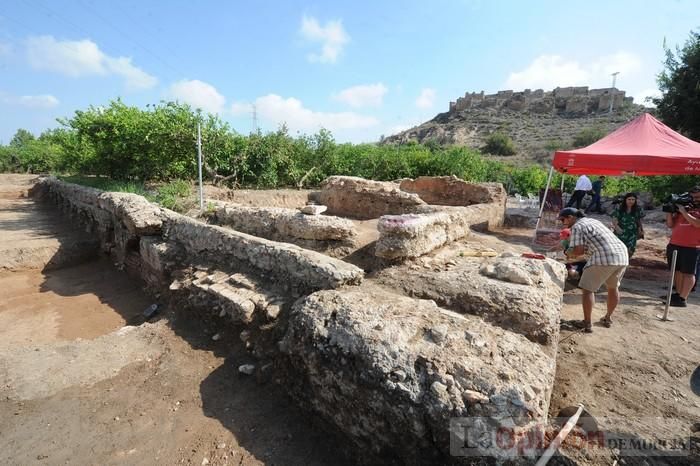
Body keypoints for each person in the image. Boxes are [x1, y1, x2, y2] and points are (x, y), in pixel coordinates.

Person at [559, 207, 629, 333]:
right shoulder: (593, 221)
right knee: (613, 287)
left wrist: (566, 252)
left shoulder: (577, 226)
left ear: (570, 217)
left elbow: (578, 250)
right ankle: (608, 318)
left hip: (604, 257)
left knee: (587, 289)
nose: (562, 223)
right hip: (622, 255)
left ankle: (587, 323)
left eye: (563, 220)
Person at [665, 186, 700, 307]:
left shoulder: (688, 210)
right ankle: (677, 294)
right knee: (677, 271)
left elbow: (697, 224)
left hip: (691, 246)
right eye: (693, 197)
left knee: (689, 273)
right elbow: (670, 224)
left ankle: (683, 298)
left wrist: (684, 212)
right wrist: (669, 211)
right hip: (675, 244)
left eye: (697, 197)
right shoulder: (684, 207)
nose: (695, 199)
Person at [610, 192, 645, 257]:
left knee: (630, 250)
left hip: (632, 233)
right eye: (629, 199)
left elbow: (639, 220)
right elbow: (614, 218)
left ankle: (626, 263)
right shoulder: (620, 208)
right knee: (618, 249)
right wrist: (617, 227)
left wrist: (640, 230)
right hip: (621, 232)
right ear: (625, 200)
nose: (631, 201)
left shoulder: (638, 209)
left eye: (633, 199)